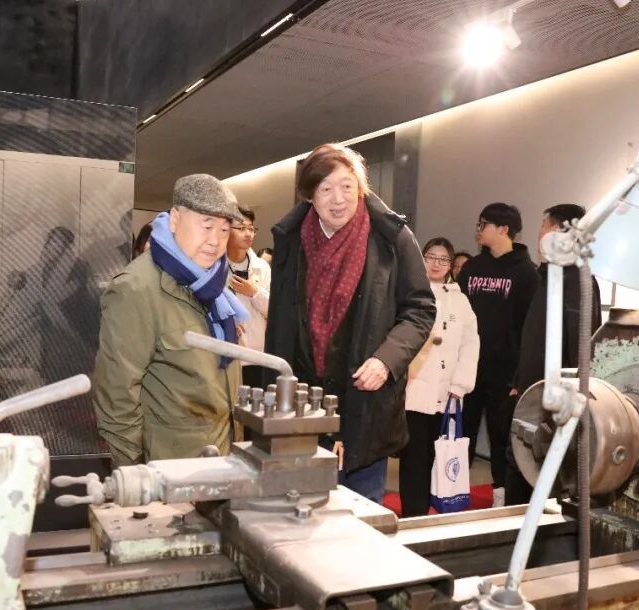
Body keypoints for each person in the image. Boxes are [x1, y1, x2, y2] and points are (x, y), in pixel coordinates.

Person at [265, 143, 435, 504]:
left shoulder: (392, 239)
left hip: (365, 405)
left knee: (360, 517)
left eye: (346, 186)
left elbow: (420, 309)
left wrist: (386, 360)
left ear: (361, 187)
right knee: (298, 512)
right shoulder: (290, 239)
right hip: (302, 408)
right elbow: (280, 323)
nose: (338, 199)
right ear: (309, 195)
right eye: (325, 188)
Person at [94, 174, 248, 466]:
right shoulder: (136, 289)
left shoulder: (215, 285)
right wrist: (135, 476)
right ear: (175, 219)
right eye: (207, 226)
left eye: (225, 229)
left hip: (221, 456)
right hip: (168, 465)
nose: (215, 241)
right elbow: (117, 396)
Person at [505, 204, 603, 505]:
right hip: (532, 392)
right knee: (521, 465)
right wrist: (519, 380)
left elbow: (581, 346)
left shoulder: (576, 281)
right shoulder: (549, 276)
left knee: (539, 474)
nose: (539, 235)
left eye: (543, 226)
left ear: (561, 231)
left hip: (554, 401)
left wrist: (570, 395)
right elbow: (536, 337)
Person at [456, 202, 539, 507]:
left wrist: (520, 376)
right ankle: (454, 488)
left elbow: (530, 328)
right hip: (468, 368)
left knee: (500, 434)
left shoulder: (527, 273)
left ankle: (501, 494)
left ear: (503, 229)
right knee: (461, 432)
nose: (478, 230)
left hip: (504, 373)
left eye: (484, 224)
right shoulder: (472, 269)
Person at [398, 237, 479, 517]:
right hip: (413, 391)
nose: (436, 264)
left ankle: (436, 511)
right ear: (421, 259)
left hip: (447, 394)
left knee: (439, 455)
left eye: (443, 259)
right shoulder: (408, 292)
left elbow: (471, 344)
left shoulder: (460, 300)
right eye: (430, 257)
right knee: (413, 457)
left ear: (451, 265)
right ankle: (413, 515)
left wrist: (460, 385)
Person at [227, 206, 271, 387]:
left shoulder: (262, 267)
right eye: (241, 228)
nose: (248, 234)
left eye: (251, 229)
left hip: (256, 353)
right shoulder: (214, 264)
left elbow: (273, 309)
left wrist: (254, 292)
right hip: (226, 352)